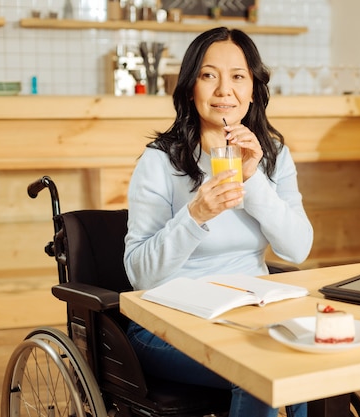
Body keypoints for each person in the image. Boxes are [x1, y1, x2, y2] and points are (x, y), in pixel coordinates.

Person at [123, 27, 313, 417]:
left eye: (238, 76)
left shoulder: (273, 155)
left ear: (253, 89)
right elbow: (140, 275)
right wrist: (195, 215)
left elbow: (298, 248)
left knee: (310, 361)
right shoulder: (160, 161)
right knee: (257, 371)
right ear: (191, 86)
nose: (224, 90)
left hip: (251, 315)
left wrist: (253, 179)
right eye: (210, 75)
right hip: (168, 322)